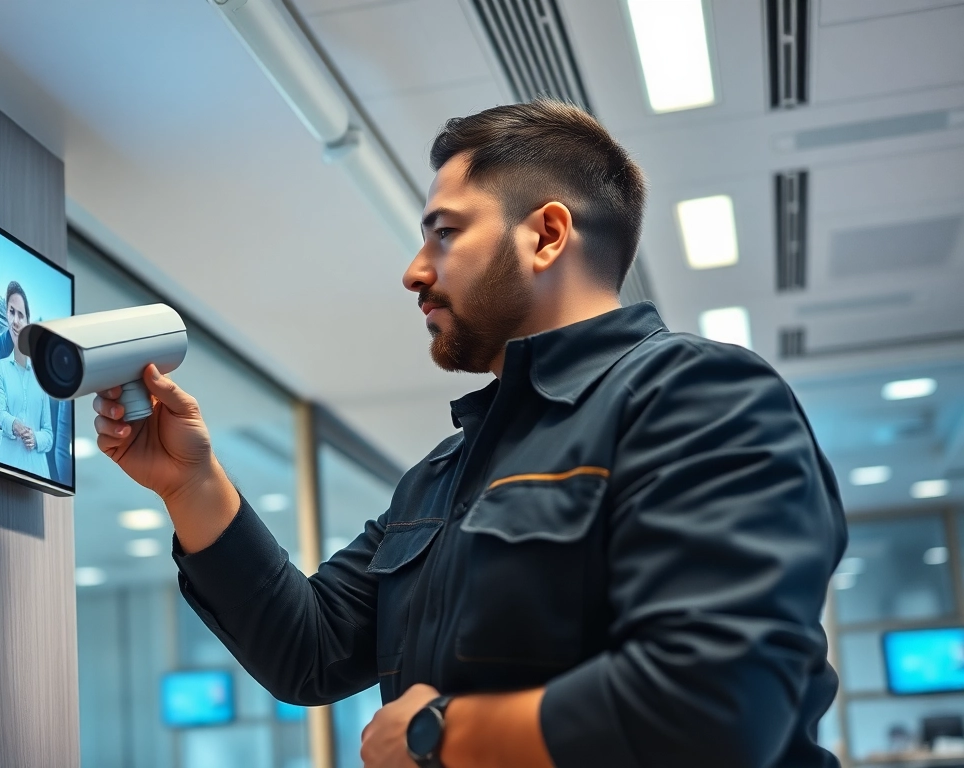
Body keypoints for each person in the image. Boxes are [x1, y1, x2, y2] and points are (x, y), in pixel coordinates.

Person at [91, 100, 847, 768]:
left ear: (548, 234)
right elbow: (310, 651)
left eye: (445, 232)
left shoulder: (697, 395)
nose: (415, 271)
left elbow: (719, 701)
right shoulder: (442, 474)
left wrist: (437, 738)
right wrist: (191, 484)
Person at [0, 282, 53, 475]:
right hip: (9, 470)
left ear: (27, 322)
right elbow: (0, 414)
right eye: (11, 312)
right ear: (6, 315)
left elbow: (49, 435)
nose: (16, 320)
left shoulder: (42, 375)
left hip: (40, 474)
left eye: (21, 315)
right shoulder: (0, 368)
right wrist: (14, 424)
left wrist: (36, 438)